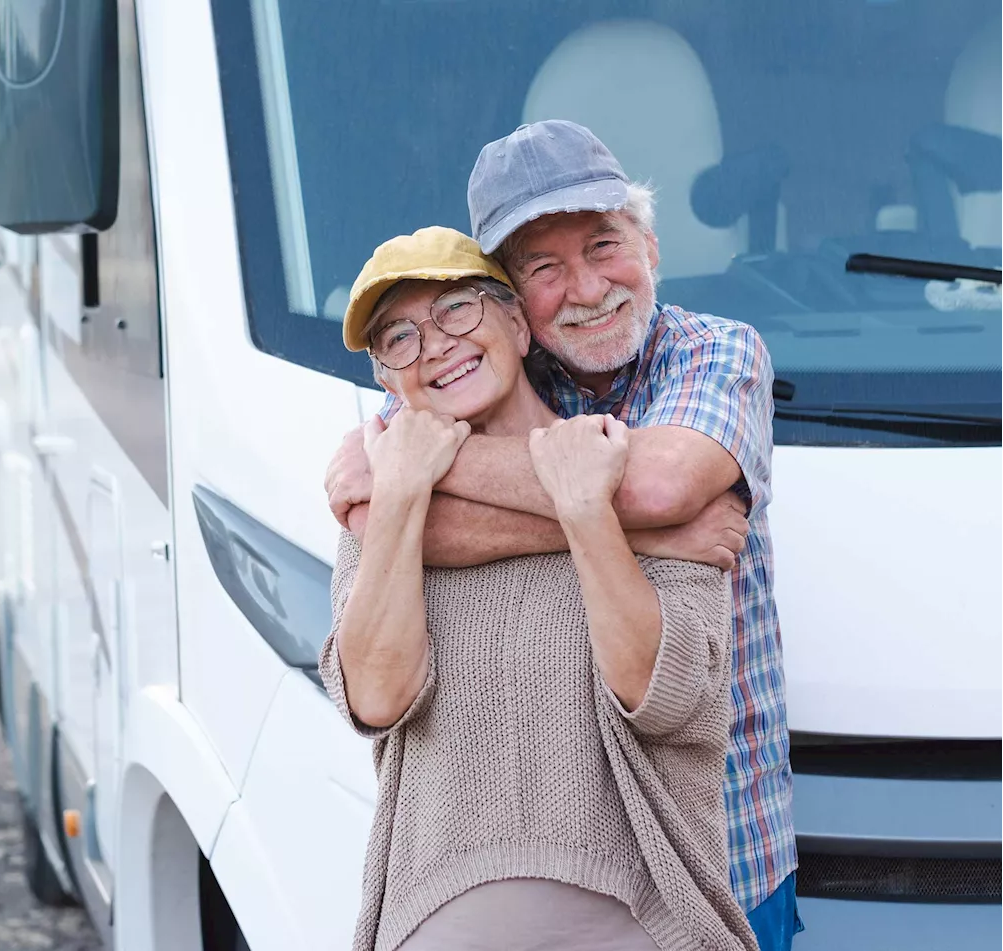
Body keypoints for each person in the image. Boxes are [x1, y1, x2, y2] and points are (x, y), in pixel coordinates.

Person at [325, 122, 800, 951]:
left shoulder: (713, 352)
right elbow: (370, 511)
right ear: (515, 301)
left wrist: (430, 472)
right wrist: (636, 529)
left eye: (605, 245)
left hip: (724, 853)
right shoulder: (466, 369)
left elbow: (655, 484)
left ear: (649, 246)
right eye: (545, 267)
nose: (585, 287)